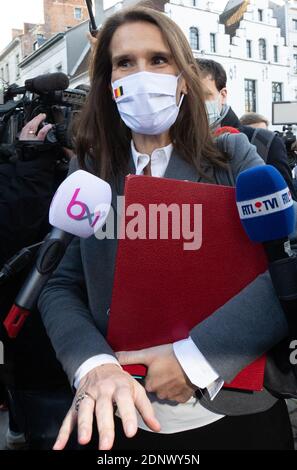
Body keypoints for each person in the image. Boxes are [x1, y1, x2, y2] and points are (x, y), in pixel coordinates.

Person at [38, 5, 294, 450]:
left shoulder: (235, 157)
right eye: (125, 62)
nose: (143, 75)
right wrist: (94, 365)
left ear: (183, 74)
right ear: (109, 81)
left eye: (158, 59)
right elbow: (60, 283)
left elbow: (287, 265)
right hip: (120, 411)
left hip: (234, 411)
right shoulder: (90, 172)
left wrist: (195, 361)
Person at [197, 58, 297, 200]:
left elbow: (287, 209)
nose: (196, 104)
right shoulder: (174, 144)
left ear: (223, 95)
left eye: (204, 95)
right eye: (190, 97)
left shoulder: (265, 143)